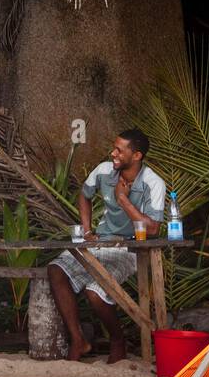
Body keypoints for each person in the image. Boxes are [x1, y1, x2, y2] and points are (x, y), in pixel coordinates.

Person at [49, 129, 165, 363]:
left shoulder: (153, 183)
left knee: (95, 293)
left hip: (130, 249)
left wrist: (123, 200)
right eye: (114, 147)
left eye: (120, 150)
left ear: (137, 156)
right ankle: (78, 340)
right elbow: (84, 194)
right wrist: (87, 229)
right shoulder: (103, 171)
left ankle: (117, 339)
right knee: (56, 270)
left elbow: (153, 229)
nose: (113, 153)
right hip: (100, 242)